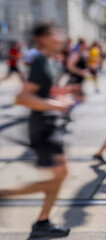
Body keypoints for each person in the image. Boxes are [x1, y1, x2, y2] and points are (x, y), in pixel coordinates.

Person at [0, 22, 71, 238]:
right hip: (42, 126)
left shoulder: (49, 61)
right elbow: (23, 97)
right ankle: (5, 194)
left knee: (61, 174)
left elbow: (43, 91)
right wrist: (55, 105)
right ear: (41, 38)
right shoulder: (40, 61)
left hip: (49, 123)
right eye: (52, 33)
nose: (57, 36)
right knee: (58, 176)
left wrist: (60, 94)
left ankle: (42, 222)